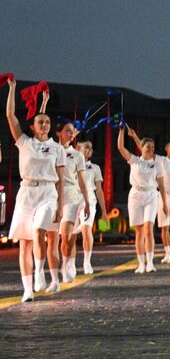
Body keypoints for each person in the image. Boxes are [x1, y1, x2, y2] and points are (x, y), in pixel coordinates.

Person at [6, 78, 65, 300]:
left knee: (40, 230)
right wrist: (12, 89)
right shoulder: (24, 142)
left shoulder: (56, 149)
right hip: (26, 193)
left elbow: (59, 179)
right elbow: (11, 117)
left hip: (48, 193)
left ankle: (40, 272)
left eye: (47, 122)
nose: (44, 125)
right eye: (40, 122)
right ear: (32, 126)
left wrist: (60, 205)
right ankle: (28, 290)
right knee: (25, 244)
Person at [117, 126, 167, 274]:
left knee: (148, 229)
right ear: (141, 147)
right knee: (138, 232)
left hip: (151, 196)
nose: (151, 149)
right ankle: (141, 263)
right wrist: (121, 130)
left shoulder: (157, 165)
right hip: (135, 197)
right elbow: (120, 147)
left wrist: (165, 204)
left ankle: (150, 262)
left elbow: (162, 186)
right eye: (148, 147)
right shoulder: (134, 161)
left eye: (153, 147)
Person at [54, 120, 90, 283]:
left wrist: (87, 201)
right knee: (54, 237)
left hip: (71, 194)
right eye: (66, 131)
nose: (70, 133)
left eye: (72, 131)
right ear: (58, 133)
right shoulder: (52, 150)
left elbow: (82, 180)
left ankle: (66, 264)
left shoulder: (77, 155)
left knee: (67, 236)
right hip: (51, 194)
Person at [78, 140, 103, 274]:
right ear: (78, 148)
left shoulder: (95, 168)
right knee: (68, 235)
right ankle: (68, 263)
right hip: (73, 199)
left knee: (86, 231)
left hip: (90, 201)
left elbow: (99, 190)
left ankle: (87, 261)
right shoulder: (70, 162)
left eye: (91, 148)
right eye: (86, 147)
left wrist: (104, 211)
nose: (89, 150)